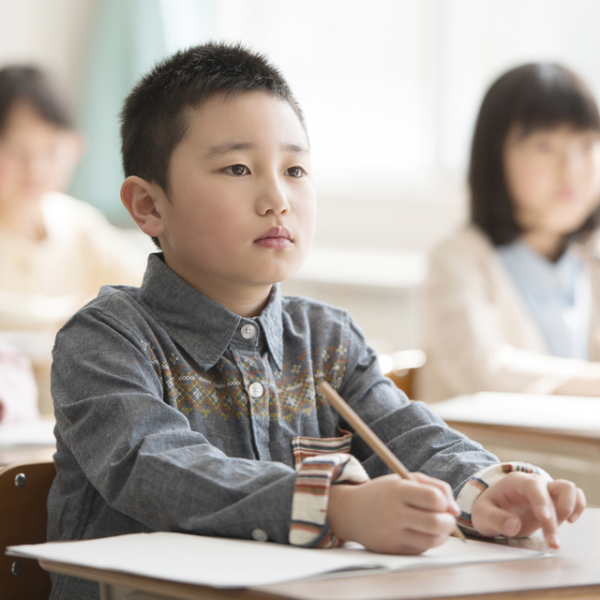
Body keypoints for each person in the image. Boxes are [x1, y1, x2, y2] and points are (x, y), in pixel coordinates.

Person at [48, 45, 585, 600]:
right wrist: (332, 508)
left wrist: (485, 487)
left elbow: (408, 437)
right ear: (147, 206)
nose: (277, 198)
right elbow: (159, 468)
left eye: (295, 169)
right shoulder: (106, 339)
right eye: (237, 168)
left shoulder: (329, 340)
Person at [417, 63, 600, 402]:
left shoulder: (589, 261)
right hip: (490, 453)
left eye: (588, 145)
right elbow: (483, 370)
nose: (571, 169)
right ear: (494, 156)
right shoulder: (457, 260)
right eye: (545, 146)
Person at [0, 66, 148, 332]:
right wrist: (73, 312)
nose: (35, 168)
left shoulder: (77, 223)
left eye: (50, 150)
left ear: (74, 148)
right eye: (15, 150)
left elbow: (146, 281)